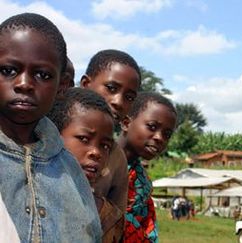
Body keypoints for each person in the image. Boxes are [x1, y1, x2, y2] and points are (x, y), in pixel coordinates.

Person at [0, 13, 102, 241]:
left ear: (62, 85)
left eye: (42, 75)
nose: (24, 84)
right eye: (8, 71)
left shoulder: (70, 169)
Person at [47, 88, 124, 242]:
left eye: (105, 146)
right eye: (83, 139)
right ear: (53, 135)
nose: (96, 152)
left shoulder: (108, 217)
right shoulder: (26, 196)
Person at [81, 49, 141, 223]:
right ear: (85, 84)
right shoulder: (47, 132)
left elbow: (114, 223)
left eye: (129, 97)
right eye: (111, 88)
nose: (118, 101)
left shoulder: (116, 159)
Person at [118, 92, 177, 242]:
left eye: (167, 134)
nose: (159, 138)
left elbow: (147, 227)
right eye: (152, 127)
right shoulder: (96, 165)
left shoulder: (142, 181)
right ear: (126, 123)